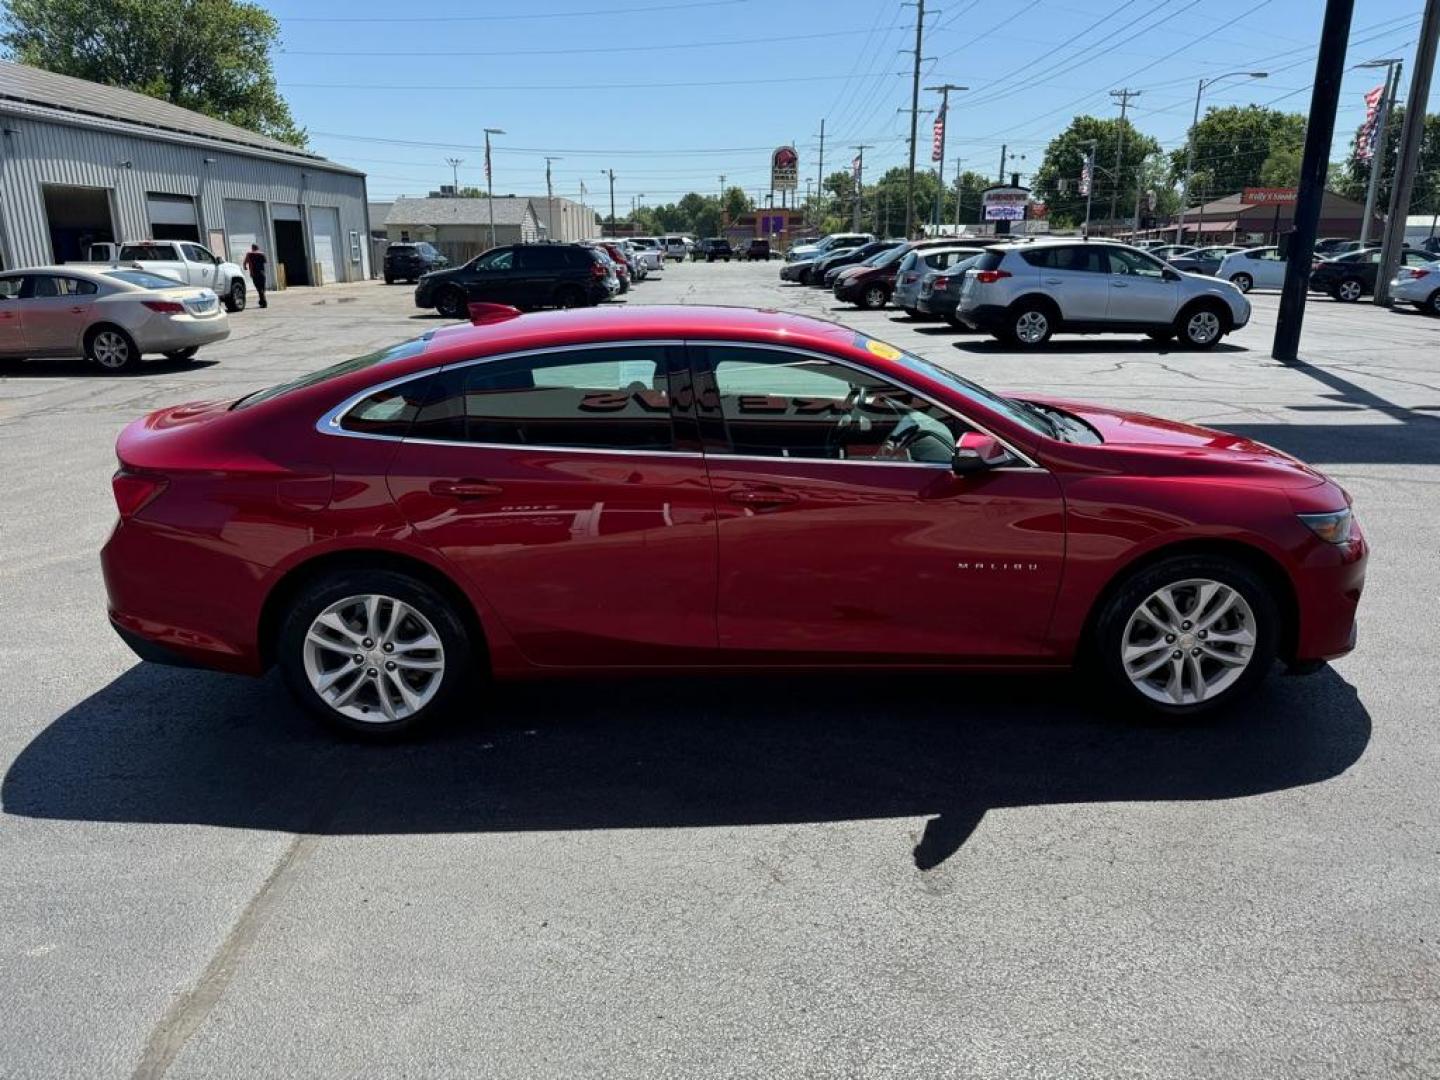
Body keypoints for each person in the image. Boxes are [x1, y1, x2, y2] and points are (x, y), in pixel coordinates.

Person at [241, 243, 269, 308]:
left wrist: (245, 267)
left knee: (259, 288)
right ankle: (262, 301)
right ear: (258, 248)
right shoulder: (262, 254)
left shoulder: (249, 254)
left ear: (252, 248)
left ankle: (264, 302)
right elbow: (265, 262)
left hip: (254, 274)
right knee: (262, 288)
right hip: (262, 273)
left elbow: (245, 262)